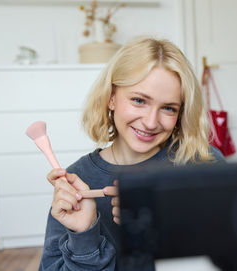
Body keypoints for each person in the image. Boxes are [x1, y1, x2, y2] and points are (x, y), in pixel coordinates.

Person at [38, 36, 225, 271]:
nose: (150, 122)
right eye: (139, 100)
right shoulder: (77, 181)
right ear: (111, 97)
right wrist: (84, 235)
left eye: (168, 108)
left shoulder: (203, 163)